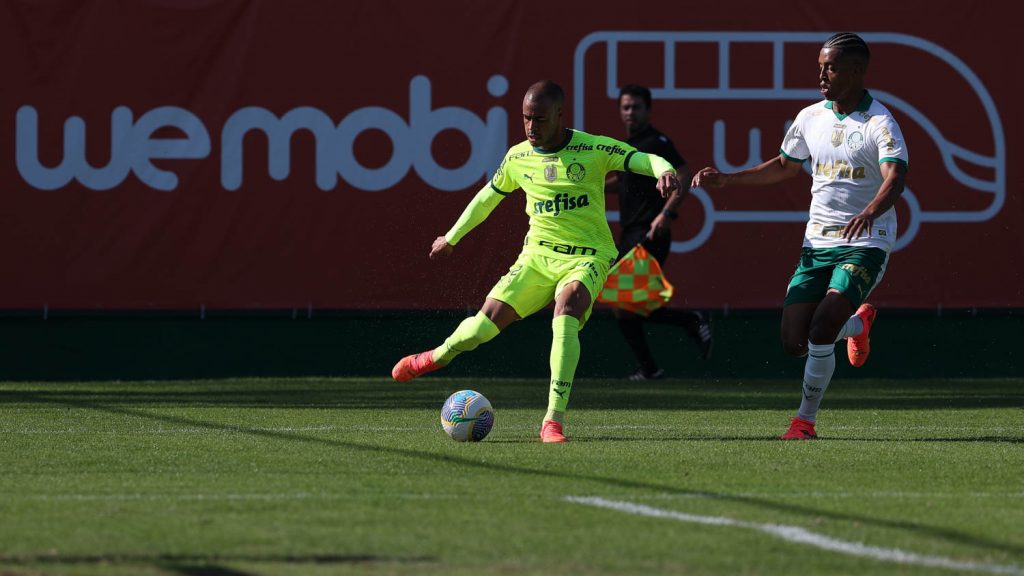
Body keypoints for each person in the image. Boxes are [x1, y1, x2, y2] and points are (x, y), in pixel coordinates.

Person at [392, 80, 680, 443]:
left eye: (540, 119)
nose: (531, 127)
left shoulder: (592, 147)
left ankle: (552, 421)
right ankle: (435, 357)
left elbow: (641, 158)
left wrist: (664, 170)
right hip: (537, 257)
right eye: (526, 118)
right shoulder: (518, 157)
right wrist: (452, 238)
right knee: (482, 328)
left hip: (588, 256)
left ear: (560, 115)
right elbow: (486, 199)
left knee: (567, 310)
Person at [691, 32, 908, 440]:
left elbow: (895, 178)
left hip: (866, 240)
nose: (822, 74)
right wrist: (727, 180)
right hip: (817, 242)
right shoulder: (810, 117)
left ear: (857, 71)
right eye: (820, 66)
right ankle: (857, 327)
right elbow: (785, 166)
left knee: (823, 325)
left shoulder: (880, 121)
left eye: (831, 66)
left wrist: (868, 212)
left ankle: (803, 421)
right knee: (795, 341)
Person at [612, 84, 712, 381]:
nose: (630, 112)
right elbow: (623, 184)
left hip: (650, 231)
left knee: (623, 302)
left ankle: (688, 325)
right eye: (626, 107)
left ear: (647, 110)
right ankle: (652, 365)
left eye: (636, 107)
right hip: (631, 231)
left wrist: (666, 214)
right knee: (624, 306)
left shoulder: (656, 141)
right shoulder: (630, 145)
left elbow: (682, 173)